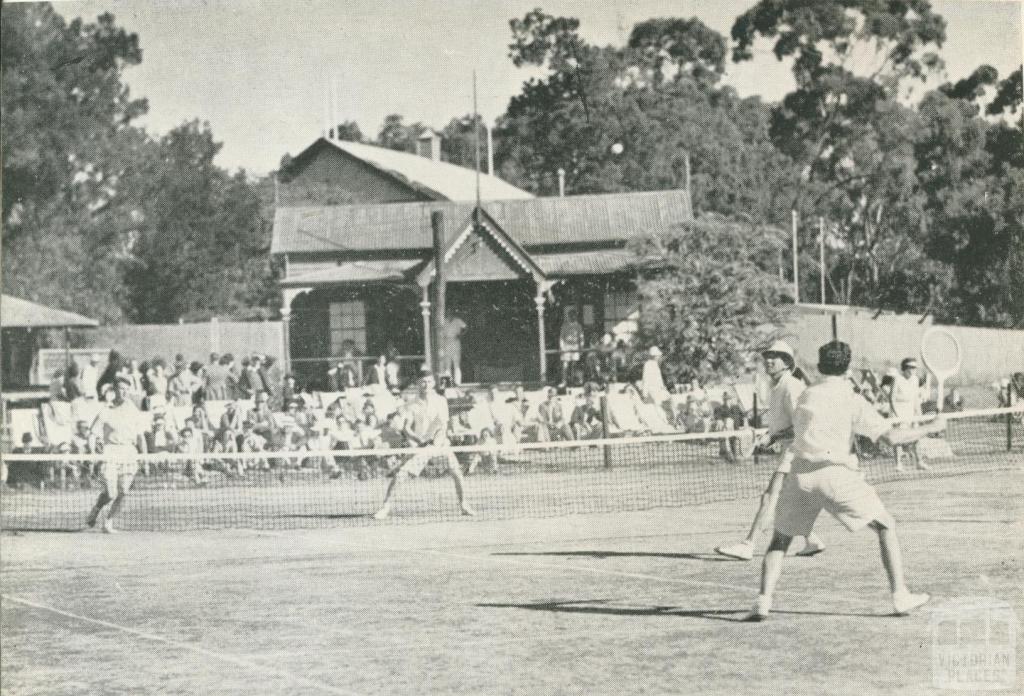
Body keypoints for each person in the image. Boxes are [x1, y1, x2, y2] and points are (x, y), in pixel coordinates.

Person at [744, 341, 945, 621]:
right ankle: (900, 596)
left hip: (800, 475)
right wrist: (932, 427)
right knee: (886, 525)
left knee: (779, 541)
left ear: (820, 365)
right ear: (847, 367)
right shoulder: (852, 399)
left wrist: (774, 437)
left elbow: (797, 428)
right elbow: (892, 438)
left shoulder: (806, 395)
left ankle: (762, 602)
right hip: (836, 475)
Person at [715, 341, 826, 561]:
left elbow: (804, 425)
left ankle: (748, 545)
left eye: (776, 357)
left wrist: (773, 437)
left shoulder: (791, 386)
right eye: (767, 356)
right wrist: (770, 435)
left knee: (770, 497)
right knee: (788, 502)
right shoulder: (776, 388)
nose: (769, 360)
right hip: (793, 449)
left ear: (787, 363)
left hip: (798, 451)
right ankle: (811, 540)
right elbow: (784, 424)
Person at [372, 371, 474, 520]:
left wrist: (437, 442)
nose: (426, 385)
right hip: (421, 447)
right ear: (418, 384)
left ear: (434, 383)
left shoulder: (441, 401)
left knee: (457, 473)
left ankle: (464, 505)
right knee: (400, 476)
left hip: (440, 445)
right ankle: (385, 507)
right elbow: (407, 428)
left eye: (429, 381)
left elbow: (443, 426)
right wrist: (419, 441)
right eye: (423, 382)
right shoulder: (411, 404)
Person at [85, 377, 148, 533]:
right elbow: (92, 434)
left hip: (129, 452)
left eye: (127, 389)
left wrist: (145, 459)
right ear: (114, 390)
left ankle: (108, 522)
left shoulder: (134, 410)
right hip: (110, 452)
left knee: (124, 491)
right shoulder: (106, 410)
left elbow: (141, 437)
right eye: (121, 388)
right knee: (110, 493)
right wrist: (93, 454)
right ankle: (96, 508)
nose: (124, 392)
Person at [890, 357, 929, 471]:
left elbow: (916, 399)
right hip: (898, 413)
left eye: (915, 367)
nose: (913, 370)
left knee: (916, 438)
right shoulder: (897, 379)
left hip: (911, 413)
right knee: (898, 440)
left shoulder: (915, 380)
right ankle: (898, 464)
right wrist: (897, 417)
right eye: (911, 367)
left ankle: (919, 462)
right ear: (905, 368)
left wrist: (919, 415)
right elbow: (891, 398)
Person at [559, 307, 585, 387]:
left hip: (575, 347)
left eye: (573, 315)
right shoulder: (564, 326)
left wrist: (581, 348)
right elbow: (561, 337)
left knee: (574, 365)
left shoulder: (578, 326)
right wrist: (562, 347)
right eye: (570, 315)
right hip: (566, 347)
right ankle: (564, 381)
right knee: (565, 365)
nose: (572, 317)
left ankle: (573, 381)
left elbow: (581, 338)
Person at [442, 314, 467, 385]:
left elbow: (465, 327)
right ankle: (448, 383)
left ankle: (457, 382)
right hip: (446, 342)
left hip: (455, 341)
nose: (450, 313)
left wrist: (461, 335)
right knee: (447, 364)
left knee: (456, 364)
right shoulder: (444, 321)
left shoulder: (458, 320)